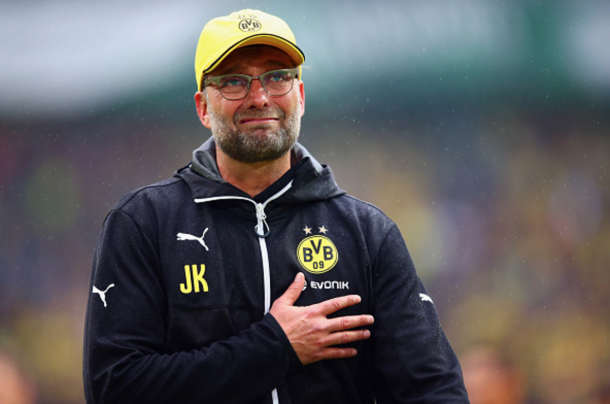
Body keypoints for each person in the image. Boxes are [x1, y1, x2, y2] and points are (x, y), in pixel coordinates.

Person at [83, 9, 469, 404]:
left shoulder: (368, 233)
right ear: (203, 107)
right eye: (233, 81)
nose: (260, 97)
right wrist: (273, 346)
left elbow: (434, 391)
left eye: (277, 77)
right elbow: (114, 388)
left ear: (299, 96)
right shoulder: (143, 224)